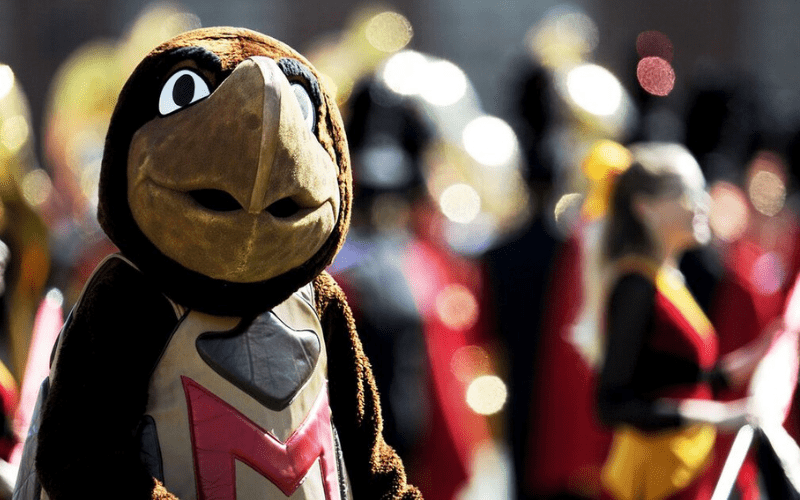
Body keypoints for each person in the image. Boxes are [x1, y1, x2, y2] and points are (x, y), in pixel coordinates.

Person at [596, 143, 772, 500]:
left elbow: (665, 378)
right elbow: (613, 403)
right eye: (685, 193)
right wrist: (716, 416)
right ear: (644, 208)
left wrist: (733, 371)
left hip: (684, 472)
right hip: (655, 483)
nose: (703, 202)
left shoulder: (667, 277)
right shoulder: (636, 285)